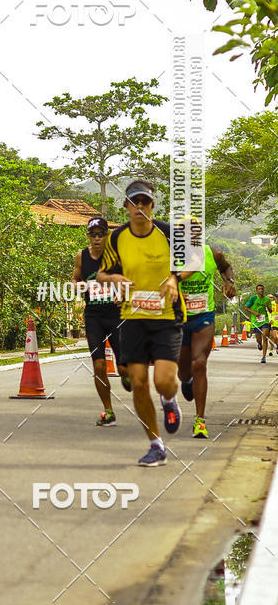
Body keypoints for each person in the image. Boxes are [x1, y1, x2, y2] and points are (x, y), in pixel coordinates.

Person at [97, 180, 192, 467]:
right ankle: (155, 444)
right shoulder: (117, 238)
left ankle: (168, 400)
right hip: (132, 316)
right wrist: (113, 278)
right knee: (138, 382)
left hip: (167, 316)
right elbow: (102, 273)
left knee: (163, 381)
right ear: (126, 207)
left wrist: (175, 278)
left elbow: (191, 263)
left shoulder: (168, 233)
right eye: (134, 203)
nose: (140, 208)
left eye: (145, 202)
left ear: (153, 206)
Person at [71, 216, 131, 427]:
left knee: (123, 367)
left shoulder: (116, 258)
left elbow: (129, 280)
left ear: (107, 236)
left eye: (101, 234)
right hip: (94, 315)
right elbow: (75, 279)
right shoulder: (82, 256)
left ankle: (126, 375)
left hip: (115, 315)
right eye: (93, 234)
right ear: (88, 236)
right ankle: (108, 410)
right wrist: (77, 287)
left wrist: (122, 293)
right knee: (98, 365)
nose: (96, 238)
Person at [177, 223, 235, 439]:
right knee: (183, 371)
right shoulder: (173, 257)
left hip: (204, 315)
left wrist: (228, 281)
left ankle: (200, 421)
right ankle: (187, 380)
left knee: (199, 363)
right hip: (180, 318)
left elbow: (226, 268)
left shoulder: (213, 253)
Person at [243, 284, 273, 363]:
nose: (261, 290)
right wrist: (254, 313)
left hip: (264, 320)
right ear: (257, 290)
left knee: (265, 336)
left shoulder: (267, 299)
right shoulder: (253, 298)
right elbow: (246, 307)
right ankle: (259, 344)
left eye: (262, 289)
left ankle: (263, 357)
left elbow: (271, 311)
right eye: (259, 289)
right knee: (258, 338)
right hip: (255, 321)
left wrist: (267, 306)